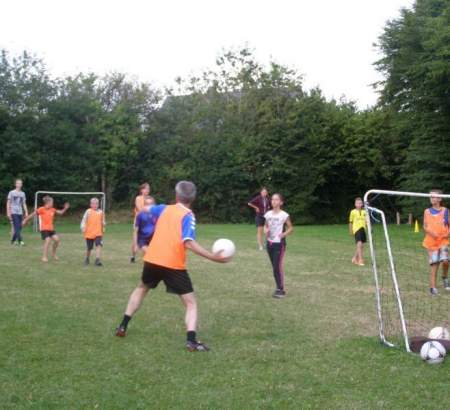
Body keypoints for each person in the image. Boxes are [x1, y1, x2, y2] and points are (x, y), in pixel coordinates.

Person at [115, 181, 229, 351]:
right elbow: (188, 242)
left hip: (152, 259)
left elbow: (146, 209)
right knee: (191, 303)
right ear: (193, 198)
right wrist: (212, 257)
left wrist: (142, 203)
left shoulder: (163, 208)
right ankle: (191, 340)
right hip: (172, 264)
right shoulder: (188, 215)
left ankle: (123, 325)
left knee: (141, 288)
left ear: (176, 196)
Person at [23, 196, 70, 262]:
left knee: (57, 240)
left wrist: (65, 208)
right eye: (52, 202)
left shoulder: (52, 209)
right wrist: (25, 220)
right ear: (48, 202)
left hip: (51, 229)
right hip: (44, 229)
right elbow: (32, 215)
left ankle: (53, 254)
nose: (53, 203)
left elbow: (60, 213)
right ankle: (44, 257)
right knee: (48, 240)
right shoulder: (41, 209)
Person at [264, 193, 293, 298]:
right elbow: (265, 226)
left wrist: (284, 234)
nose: (274, 201)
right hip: (269, 243)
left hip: (279, 244)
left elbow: (291, 228)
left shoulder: (284, 215)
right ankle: (278, 287)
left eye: (276, 200)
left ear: (281, 202)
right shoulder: (268, 214)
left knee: (277, 266)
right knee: (274, 267)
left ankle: (280, 290)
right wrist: (265, 230)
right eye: (272, 199)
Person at [423, 190, 449, 296]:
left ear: (440, 199)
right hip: (431, 242)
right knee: (435, 264)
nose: (432, 198)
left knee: (445, 261)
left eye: (434, 197)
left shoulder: (446, 210)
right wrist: (431, 232)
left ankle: (444, 276)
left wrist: (448, 233)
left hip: (443, 240)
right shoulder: (427, 211)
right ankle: (432, 288)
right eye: (431, 196)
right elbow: (424, 226)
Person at [81, 197, 105, 266]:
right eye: (93, 204)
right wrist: (83, 227)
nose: (95, 205)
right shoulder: (88, 211)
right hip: (89, 233)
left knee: (98, 244)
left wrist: (103, 224)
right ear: (90, 205)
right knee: (89, 248)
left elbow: (102, 221)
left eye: (96, 204)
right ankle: (87, 258)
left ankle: (97, 260)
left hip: (98, 233)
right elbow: (84, 220)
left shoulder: (101, 212)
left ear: (98, 204)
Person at [130, 182, 151, 263]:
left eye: (148, 189)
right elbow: (140, 209)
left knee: (147, 239)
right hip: (139, 221)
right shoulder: (138, 198)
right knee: (135, 239)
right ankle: (133, 256)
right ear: (142, 190)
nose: (147, 190)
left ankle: (146, 258)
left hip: (148, 222)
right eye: (146, 188)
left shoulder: (150, 198)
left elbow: (153, 208)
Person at [6, 179, 28, 246]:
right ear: (15, 184)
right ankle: (20, 241)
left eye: (20, 183)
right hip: (13, 211)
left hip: (20, 212)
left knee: (19, 227)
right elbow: (8, 203)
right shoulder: (11, 192)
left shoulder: (23, 193)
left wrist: (26, 211)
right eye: (18, 183)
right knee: (17, 227)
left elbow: (24, 203)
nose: (19, 185)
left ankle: (12, 240)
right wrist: (8, 212)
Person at [349, 197, 367, 266]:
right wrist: (351, 231)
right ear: (355, 204)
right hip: (356, 229)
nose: (359, 204)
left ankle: (354, 258)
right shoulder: (352, 212)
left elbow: (366, 221)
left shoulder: (364, 212)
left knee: (361, 245)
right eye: (357, 203)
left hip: (363, 229)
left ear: (362, 204)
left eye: (360, 203)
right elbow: (350, 222)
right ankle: (360, 260)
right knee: (359, 244)